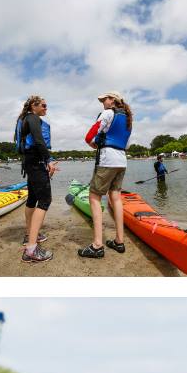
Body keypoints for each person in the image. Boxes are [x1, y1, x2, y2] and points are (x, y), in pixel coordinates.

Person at [80, 92, 132, 258]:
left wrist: (94, 144)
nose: (102, 102)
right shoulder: (129, 119)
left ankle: (97, 245)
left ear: (113, 101)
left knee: (94, 197)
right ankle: (119, 241)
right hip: (122, 160)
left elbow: (89, 136)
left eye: (105, 99)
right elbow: (127, 144)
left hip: (107, 160)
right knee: (115, 197)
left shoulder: (108, 113)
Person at [14, 95, 57, 263]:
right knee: (45, 200)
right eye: (44, 105)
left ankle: (28, 235)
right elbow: (39, 140)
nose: (46, 108)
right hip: (36, 162)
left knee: (32, 199)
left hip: (29, 162)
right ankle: (31, 250)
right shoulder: (32, 118)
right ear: (34, 105)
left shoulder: (25, 118)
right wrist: (49, 160)